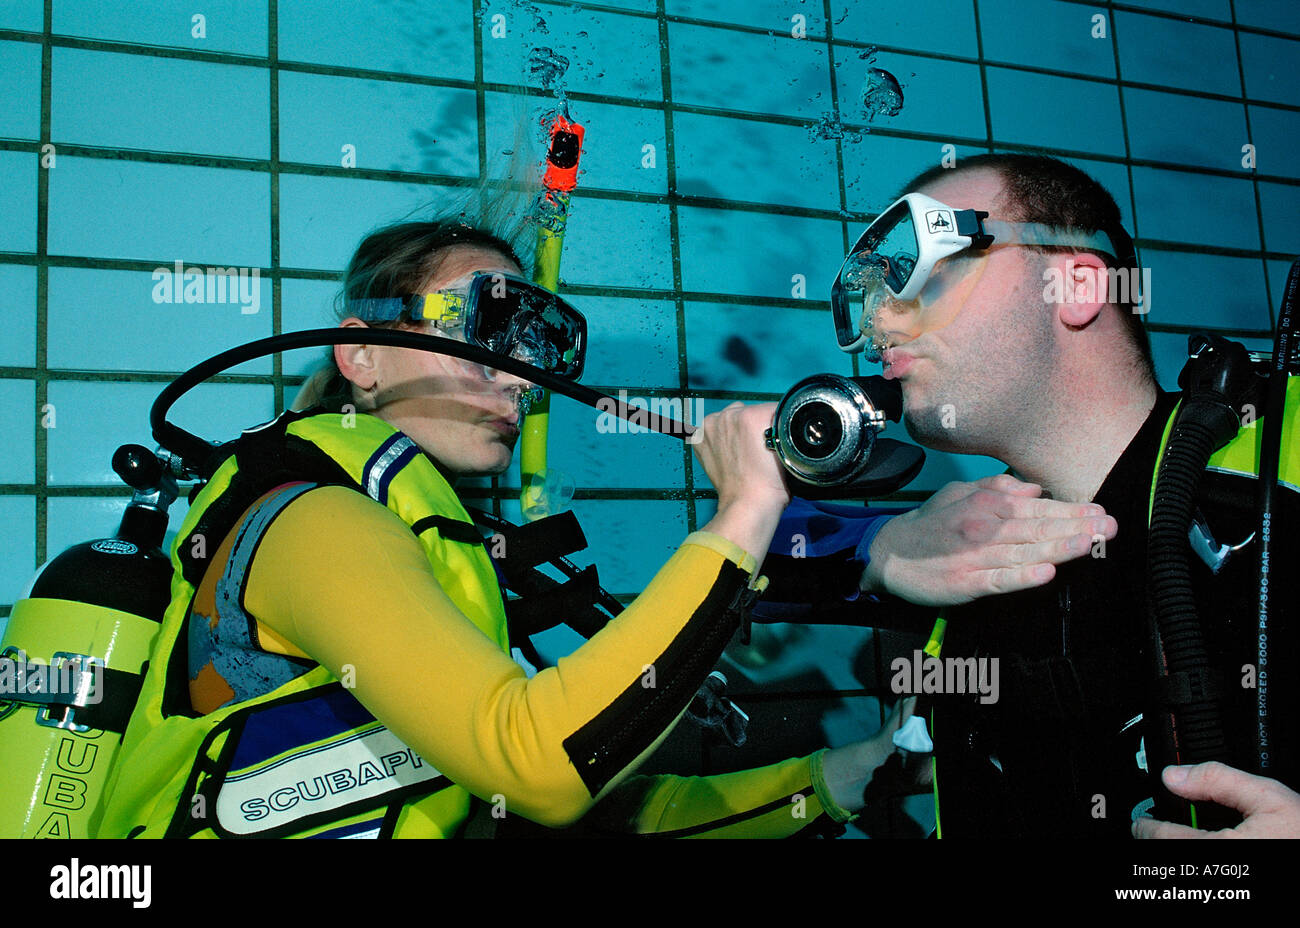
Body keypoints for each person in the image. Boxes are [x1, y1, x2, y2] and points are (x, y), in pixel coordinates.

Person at [98, 215, 1102, 839]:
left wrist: (841, 775)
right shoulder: (308, 518)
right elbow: (535, 764)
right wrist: (748, 509)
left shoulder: (433, 551)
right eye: (480, 324)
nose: (511, 373)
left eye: (531, 342)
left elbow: (618, 805)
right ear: (360, 355)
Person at [807, 152, 1298, 838]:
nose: (880, 321)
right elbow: (752, 560)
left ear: (1074, 286)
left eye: (926, 264)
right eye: (869, 294)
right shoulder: (971, 578)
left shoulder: (1284, 471)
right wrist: (872, 546)